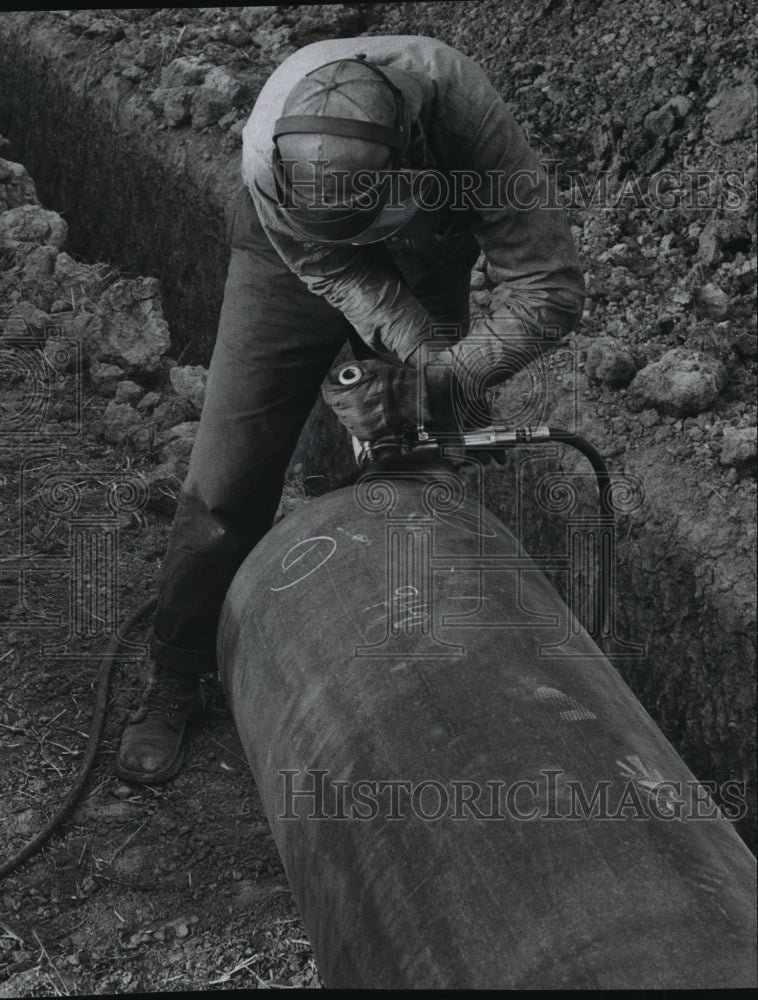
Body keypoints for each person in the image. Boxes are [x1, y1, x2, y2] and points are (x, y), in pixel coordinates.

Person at [115, 35, 585, 785]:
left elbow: (550, 288)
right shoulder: (268, 158)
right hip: (291, 256)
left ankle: (421, 687)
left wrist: (428, 382)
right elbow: (338, 268)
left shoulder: (469, 124)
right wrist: (389, 369)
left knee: (423, 458)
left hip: (430, 241)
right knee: (227, 471)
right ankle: (177, 673)